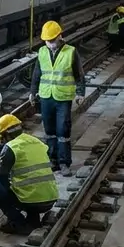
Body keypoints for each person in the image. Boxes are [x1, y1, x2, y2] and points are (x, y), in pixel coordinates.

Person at [0, 114, 59, 235]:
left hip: (32, 201)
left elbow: (2, 180)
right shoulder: (36, 141)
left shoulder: (11, 147)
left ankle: (19, 223)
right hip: (50, 197)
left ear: (5, 135)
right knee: (28, 185)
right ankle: (33, 221)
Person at [30, 20, 85, 176]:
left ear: (60, 36)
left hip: (62, 98)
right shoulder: (41, 52)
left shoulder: (71, 52)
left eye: (52, 40)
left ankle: (64, 163)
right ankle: (52, 161)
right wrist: (32, 91)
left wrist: (81, 93)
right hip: (46, 96)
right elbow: (37, 74)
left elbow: (79, 75)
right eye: (47, 41)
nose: (49, 43)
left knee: (63, 131)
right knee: (49, 131)